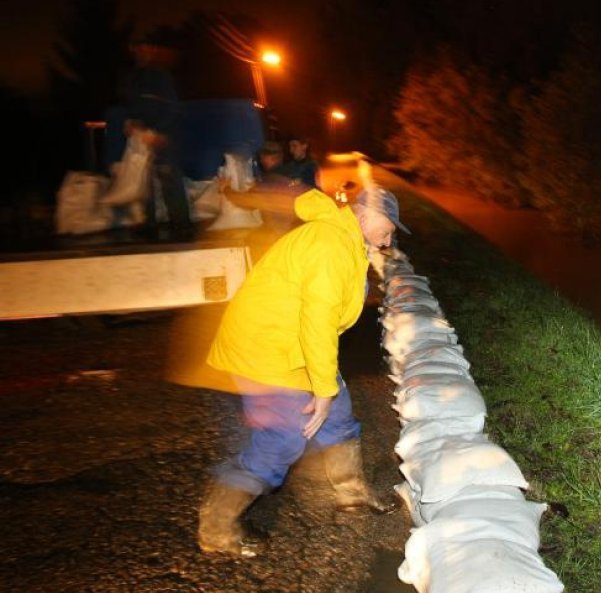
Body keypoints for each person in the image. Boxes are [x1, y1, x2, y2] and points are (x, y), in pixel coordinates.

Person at [197, 183, 410, 557]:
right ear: (364, 215)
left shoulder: (344, 240)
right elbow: (318, 321)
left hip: (290, 347)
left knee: (338, 416)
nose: (388, 237)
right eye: (387, 227)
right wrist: (322, 388)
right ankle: (217, 528)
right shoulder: (330, 244)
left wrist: (327, 387)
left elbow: (321, 321)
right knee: (283, 438)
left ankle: (351, 492)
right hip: (269, 352)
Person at [123, 30, 192, 236]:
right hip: (141, 138)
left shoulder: (161, 75)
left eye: (146, 47)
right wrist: (130, 122)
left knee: (169, 178)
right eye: (138, 47)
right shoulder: (133, 76)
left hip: (163, 138)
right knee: (143, 184)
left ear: (152, 50)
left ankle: (182, 227)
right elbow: (133, 105)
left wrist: (159, 131)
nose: (142, 51)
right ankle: (149, 225)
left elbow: (173, 107)